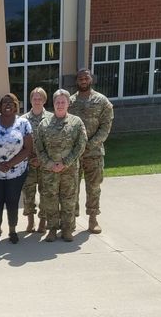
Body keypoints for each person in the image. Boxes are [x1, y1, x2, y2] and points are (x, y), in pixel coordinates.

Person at [35, 89, 88, 242]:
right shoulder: (44, 124)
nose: (60, 105)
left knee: (68, 199)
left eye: (63, 102)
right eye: (57, 102)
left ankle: (67, 229)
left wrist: (65, 162)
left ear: (68, 103)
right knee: (50, 199)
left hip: (69, 170)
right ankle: (52, 228)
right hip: (49, 170)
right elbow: (39, 147)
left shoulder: (76, 122)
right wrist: (50, 163)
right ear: (53, 103)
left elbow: (81, 145)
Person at [0, 93, 32, 245]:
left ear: (16, 106)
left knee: (12, 201)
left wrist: (9, 164)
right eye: (5, 102)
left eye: (11, 102)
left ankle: (12, 230)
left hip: (17, 172)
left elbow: (28, 149)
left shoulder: (23, 124)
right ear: (0, 106)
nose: (8, 105)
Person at [69, 68, 114, 234]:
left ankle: (93, 218)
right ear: (77, 81)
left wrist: (91, 144)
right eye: (80, 78)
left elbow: (106, 126)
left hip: (93, 153)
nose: (83, 80)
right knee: (72, 187)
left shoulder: (102, 101)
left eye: (86, 78)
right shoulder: (70, 101)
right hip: (74, 154)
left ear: (91, 79)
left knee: (93, 187)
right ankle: (71, 218)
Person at [21, 87, 53, 233]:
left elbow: (54, 142)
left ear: (45, 100)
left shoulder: (52, 119)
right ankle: (30, 221)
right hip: (28, 163)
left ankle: (42, 221)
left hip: (45, 164)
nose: (37, 101)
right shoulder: (23, 120)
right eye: (35, 98)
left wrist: (42, 159)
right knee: (29, 194)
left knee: (45, 193)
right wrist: (30, 159)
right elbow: (19, 143)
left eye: (40, 99)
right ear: (30, 100)